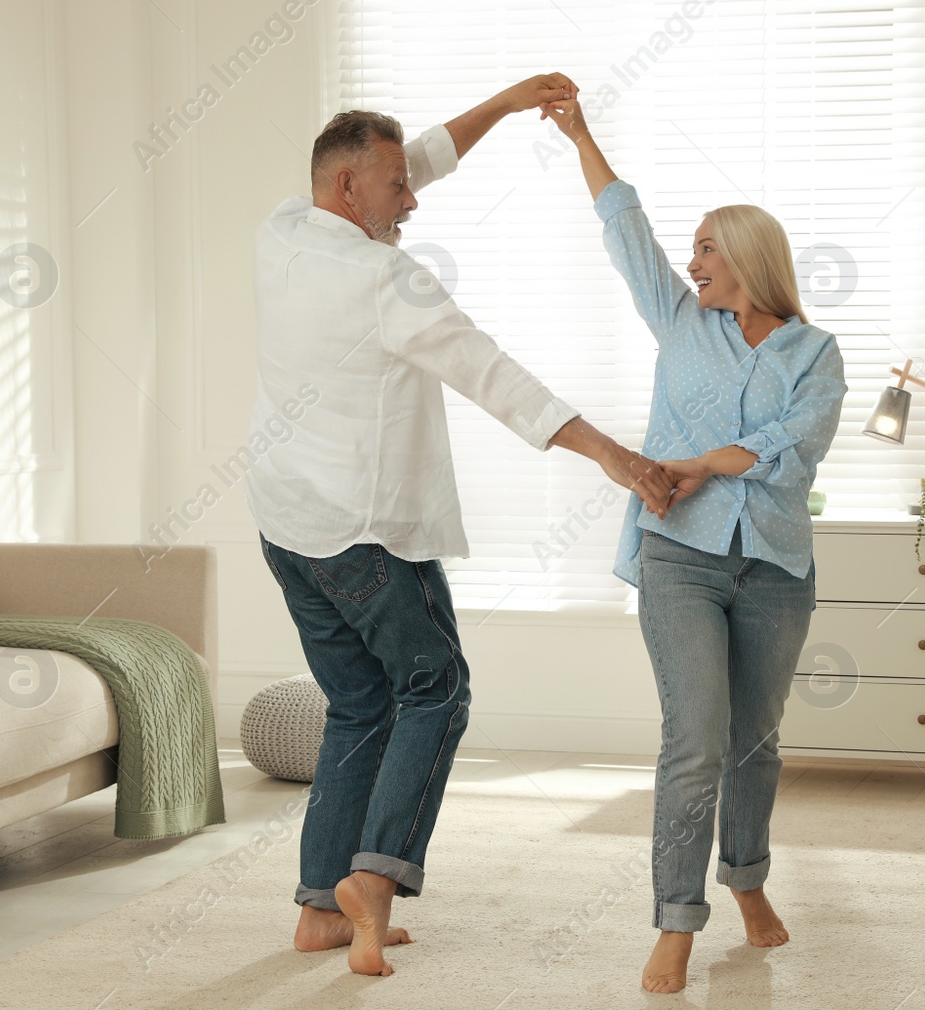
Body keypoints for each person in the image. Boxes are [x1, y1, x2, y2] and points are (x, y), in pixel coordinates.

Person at [246, 75, 676, 977]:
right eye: (395, 186)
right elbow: (495, 375)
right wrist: (614, 457)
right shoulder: (386, 279)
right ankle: (375, 876)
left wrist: (510, 102)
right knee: (437, 690)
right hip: (364, 536)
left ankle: (321, 911)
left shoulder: (282, 230)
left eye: (409, 180)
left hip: (286, 527)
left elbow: (423, 154)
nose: (410, 199)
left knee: (359, 704)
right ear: (349, 192)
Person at [542, 95, 848, 993]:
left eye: (707, 248)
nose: (691, 262)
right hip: (678, 556)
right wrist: (580, 136)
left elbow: (801, 449)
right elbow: (623, 228)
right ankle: (678, 919)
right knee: (696, 738)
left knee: (757, 741)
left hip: (777, 567)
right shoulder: (681, 321)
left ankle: (747, 879)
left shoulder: (817, 352)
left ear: (748, 258)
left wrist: (711, 460)